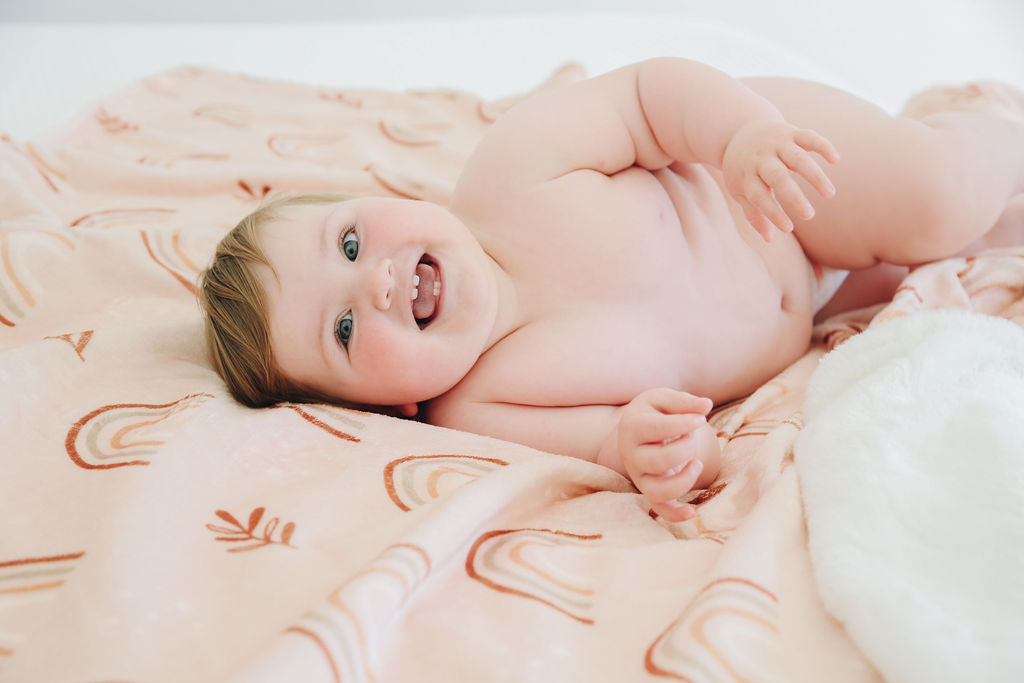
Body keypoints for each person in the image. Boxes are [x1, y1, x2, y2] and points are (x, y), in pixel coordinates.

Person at [199, 58, 1024, 521]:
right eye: (342, 329)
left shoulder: (512, 173)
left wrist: (741, 137)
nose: (374, 278)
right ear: (386, 408)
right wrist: (657, 451)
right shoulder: (486, 408)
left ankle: (997, 141)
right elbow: (609, 444)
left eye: (348, 240)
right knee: (957, 256)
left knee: (935, 197)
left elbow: (646, 98)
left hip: (772, 182)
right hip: (814, 305)